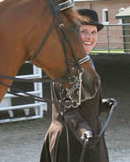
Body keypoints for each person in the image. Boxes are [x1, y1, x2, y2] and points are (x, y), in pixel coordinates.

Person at [39, 9, 116, 162]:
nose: (90, 37)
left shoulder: (86, 63)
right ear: (73, 35)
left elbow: (81, 101)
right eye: (84, 31)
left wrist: (102, 104)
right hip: (70, 141)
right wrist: (85, 132)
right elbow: (69, 110)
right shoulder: (68, 67)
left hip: (88, 137)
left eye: (93, 32)